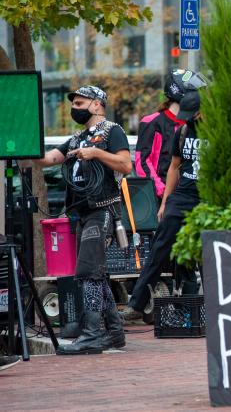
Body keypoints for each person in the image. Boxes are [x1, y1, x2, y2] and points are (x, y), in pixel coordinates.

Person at [36, 85, 132, 355]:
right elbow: (51, 158)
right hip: (82, 212)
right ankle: (114, 334)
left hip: (104, 211)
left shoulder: (113, 131)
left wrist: (97, 153)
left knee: (88, 273)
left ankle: (92, 334)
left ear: (97, 105)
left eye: (80, 103)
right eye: (74, 103)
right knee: (96, 274)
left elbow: (126, 165)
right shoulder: (78, 137)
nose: (75, 107)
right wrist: (23, 147)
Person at [120, 85, 206, 321]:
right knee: (159, 248)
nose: (188, 120)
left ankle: (216, 307)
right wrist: (165, 203)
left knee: (206, 254)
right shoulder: (183, 132)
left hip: (207, 198)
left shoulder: (219, 132)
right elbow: (174, 167)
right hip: (182, 197)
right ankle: (136, 304)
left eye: (192, 115)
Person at [135, 69, 204, 200]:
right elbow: (142, 161)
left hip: (187, 195)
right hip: (159, 196)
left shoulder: (194, 124)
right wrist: (162, 190)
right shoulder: (151, 122)